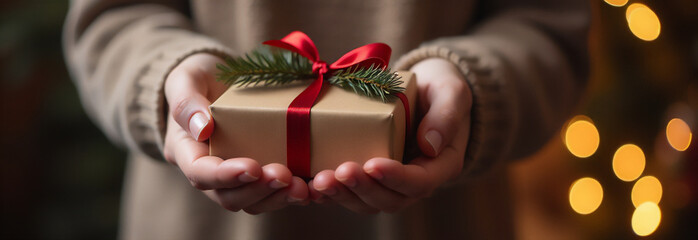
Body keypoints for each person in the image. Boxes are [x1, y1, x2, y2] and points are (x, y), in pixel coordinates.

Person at [63, 0, 589, 239]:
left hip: (447, 221)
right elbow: (111, 17)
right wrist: (167, 79)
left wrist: (474, 89)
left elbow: (548, 27)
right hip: (192, 225)